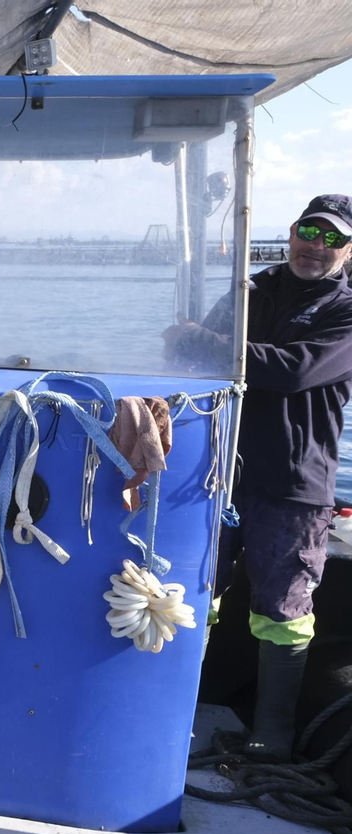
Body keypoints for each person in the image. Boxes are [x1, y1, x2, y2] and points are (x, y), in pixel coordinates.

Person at [163, 193, 352, 758]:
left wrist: (203, 340)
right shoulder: (254, 291)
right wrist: (183, 345)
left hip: (294, 484)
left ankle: (271, 734)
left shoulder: (345, 311)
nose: (315, 247)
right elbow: (192, 359)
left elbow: (291, 371)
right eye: (308, 232)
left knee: (284, 607)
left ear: (349, 249)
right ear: (291, 231)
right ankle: (172, 709)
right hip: (218, 470)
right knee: (195, 591)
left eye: (332, 239)